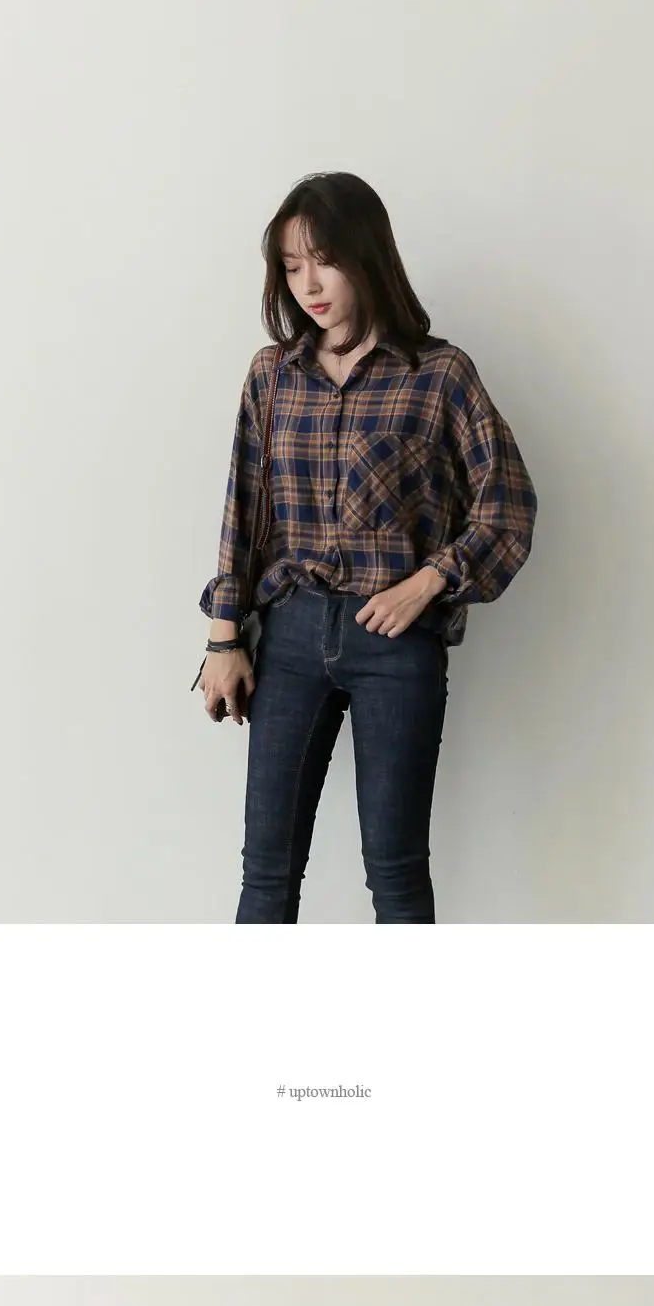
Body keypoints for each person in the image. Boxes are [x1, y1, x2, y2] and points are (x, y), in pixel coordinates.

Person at [194, 170, 536, 923]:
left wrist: (429, 580)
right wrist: (224, 638)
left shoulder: (439, 375)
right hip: (287, 637)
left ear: (367, 254)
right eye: (292, 267)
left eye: (325, 261)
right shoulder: (273, 376)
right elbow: (243, 509)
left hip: (396, 646)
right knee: (266, 873)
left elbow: (507, 507)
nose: (309, 285)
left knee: (396, 873)